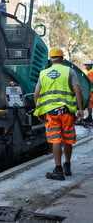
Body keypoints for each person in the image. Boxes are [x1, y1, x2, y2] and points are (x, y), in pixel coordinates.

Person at [34, 47, 83, 180]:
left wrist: (39, 110)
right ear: (62, 58)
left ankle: (58, 169)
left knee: (56, 140)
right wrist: (80, 110)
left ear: (50, 60)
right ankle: (67, 166)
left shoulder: (43, 73)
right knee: (67, 139)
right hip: (67, 112)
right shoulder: (69, 71)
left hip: (51, 113)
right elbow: (78, 90)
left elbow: (36, 94)